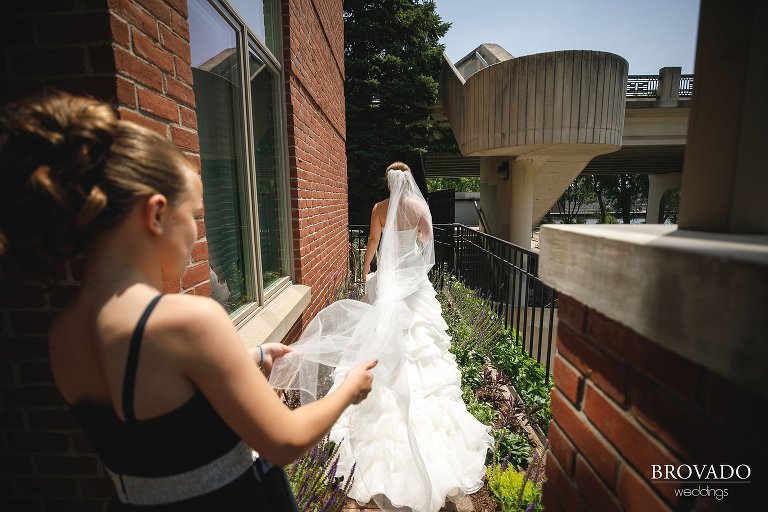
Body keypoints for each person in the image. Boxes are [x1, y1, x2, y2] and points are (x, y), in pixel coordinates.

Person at [0, 92, 377, 510]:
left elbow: (157, 400)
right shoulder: (188, 320)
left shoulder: (62, 333)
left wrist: (252, 355)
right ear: (156, 214)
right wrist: (349, 388)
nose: (198, 232)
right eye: (195, 215)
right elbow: (285, 440)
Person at [270, 162, 492, 512]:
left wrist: (365, 270)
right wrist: (413, 247)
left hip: (390, 276)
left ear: (389, 182)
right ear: (409, 180)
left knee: (381, 328)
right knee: (419, 334)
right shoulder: (418, 207)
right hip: (412, 276)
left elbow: (373, 240)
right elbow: (428, 240)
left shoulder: (379, 208)